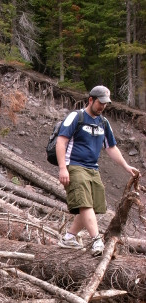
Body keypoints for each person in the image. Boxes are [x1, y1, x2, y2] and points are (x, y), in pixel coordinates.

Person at [56, 85, 139, 256]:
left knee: (92, 206)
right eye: (100, 103)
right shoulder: (76, 116)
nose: (103, 107)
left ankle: (69, 238)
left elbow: (111, 148)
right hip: (74, 166)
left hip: (93, 169)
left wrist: (125, 166)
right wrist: (63, 168)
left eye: (106, 104)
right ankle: (97, 241)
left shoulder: (104, 122)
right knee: (84, 203)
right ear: (91, 100)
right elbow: (61, 142)